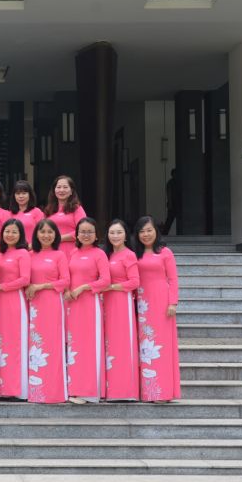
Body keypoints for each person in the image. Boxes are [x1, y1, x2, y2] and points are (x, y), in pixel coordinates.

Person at [134, 215, 181, 403]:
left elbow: (173, 279)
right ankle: (147, 391)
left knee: (160, 347)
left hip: (161, 303)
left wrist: (172, 303)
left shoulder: (165, 252)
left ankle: (162, 392)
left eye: (149, 230)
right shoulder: (135, 253)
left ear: (156, 231)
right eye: (142, 231)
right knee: (144, 347)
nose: (146, 234)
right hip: (141, 303)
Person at [65, 217, 111, 404]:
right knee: (75, 346)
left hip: (90, 303)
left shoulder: (99, 254)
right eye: (82, 231)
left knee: (89, 345)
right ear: (76, 234)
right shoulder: (73, 253)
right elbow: (67, 276)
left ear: (96, 235)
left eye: (89, 232)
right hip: (72, 304)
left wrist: (84, 288)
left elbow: (105, 280)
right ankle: (76, 388)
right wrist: (68, 290)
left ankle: (89, 391)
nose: (85, 235)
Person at [26, 219, 70, 403]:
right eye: (42, 231)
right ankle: (35, 391)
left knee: (52, 345)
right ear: (36, 234)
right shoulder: (29, 254)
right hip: (32, 304)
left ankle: (54, 392)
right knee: (35, 346)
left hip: (52, 303)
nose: (46, 235)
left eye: (50, 232)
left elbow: (65, 281)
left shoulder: (59, 255)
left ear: (56, 235)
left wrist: (41, 286)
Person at [0, 219, 31, 401]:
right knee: (0, 344)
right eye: (7, 231)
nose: (10, 235)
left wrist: (2, 286)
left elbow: (25, 279)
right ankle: (2, 387)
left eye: (14, 232)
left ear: (20, 234)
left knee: (15, 344)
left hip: (14, 301)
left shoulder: (23, 253)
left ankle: (17, 389)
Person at [102, 219, 140, 401]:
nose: (115, 236)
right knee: (110, 345)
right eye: (111, 233)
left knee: (122, 344)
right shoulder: (107, 255)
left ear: (126, 235)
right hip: (106, 302)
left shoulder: (129, 255)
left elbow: (134, 282)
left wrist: (112, 287)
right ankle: (111, 390)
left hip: (122, 301)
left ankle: (125, 391)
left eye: (119, 232)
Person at [45, 175, 86, 259]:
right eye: (59, 187)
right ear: (54, 190)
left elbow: (83, 231)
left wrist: (59, 238)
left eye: (65, 187)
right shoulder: (48, 210)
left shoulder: (77, 208)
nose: (61, 190)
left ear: (71, 191)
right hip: (51, 251)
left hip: (71, 252)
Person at [9, 180, 44, 245]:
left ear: (30, 195)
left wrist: (32, 246)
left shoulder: (37, 212)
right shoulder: (9, 213)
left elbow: (42, 233)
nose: (21, 196)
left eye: (24, 193)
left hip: (32, 250)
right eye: (18, 193)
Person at [162, 169, 179, 235]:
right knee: (169, 220)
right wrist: (170, 204)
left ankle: (165, 233)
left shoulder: (177, 182)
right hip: (173, 204)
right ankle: (165, 233)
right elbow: (169, 194)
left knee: (170, 220)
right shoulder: (171, 183)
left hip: (176, 204)